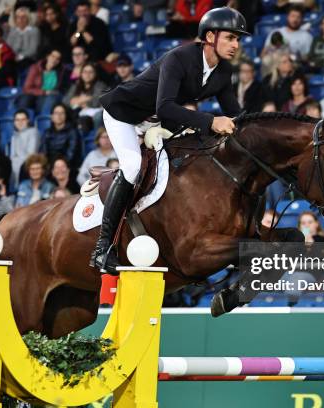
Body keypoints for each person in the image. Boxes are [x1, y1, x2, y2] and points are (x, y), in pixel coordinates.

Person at [95, 7, 247, 273]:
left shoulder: (223, 72)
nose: (236, 45)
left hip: (158, 122)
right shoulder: (179, 57)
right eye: (230, 38)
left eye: (238, 39)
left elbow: (235, 114)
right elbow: (165, 106)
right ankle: (102, 247)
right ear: (210, 36)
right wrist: (212, 121)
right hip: (124, 114)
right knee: (131, 167)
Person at [18, 49, 68, 114]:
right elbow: (27, 88)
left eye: (57, 58)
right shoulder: (36, 68)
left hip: (51, 96)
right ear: (48, 56)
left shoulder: (61, 71)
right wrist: (44, 92)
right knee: (25, 100)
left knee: (50, 99)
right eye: (53, 56)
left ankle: (43, 121)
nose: (54, 60)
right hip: (37, 93)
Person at [10, 110, 40, 185]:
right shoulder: (14, 135)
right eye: (17, 120)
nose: (20, 122)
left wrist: (16, 161)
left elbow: (31, 154)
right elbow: (12, 155)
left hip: (27, 163)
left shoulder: (33, 132)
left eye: (23, 119)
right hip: (14, 163)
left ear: (28, 120)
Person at [6, 7, 40, 71]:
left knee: (21, 64)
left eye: (23, 17)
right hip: (13, 58)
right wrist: (14, 56)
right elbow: (8, 47)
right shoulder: (12, 31)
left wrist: (20, 56)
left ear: (28, 18)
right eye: (18, 17)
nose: (21, 19)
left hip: (28, 59)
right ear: (15, 19)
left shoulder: (34, 31)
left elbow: (33, 50)